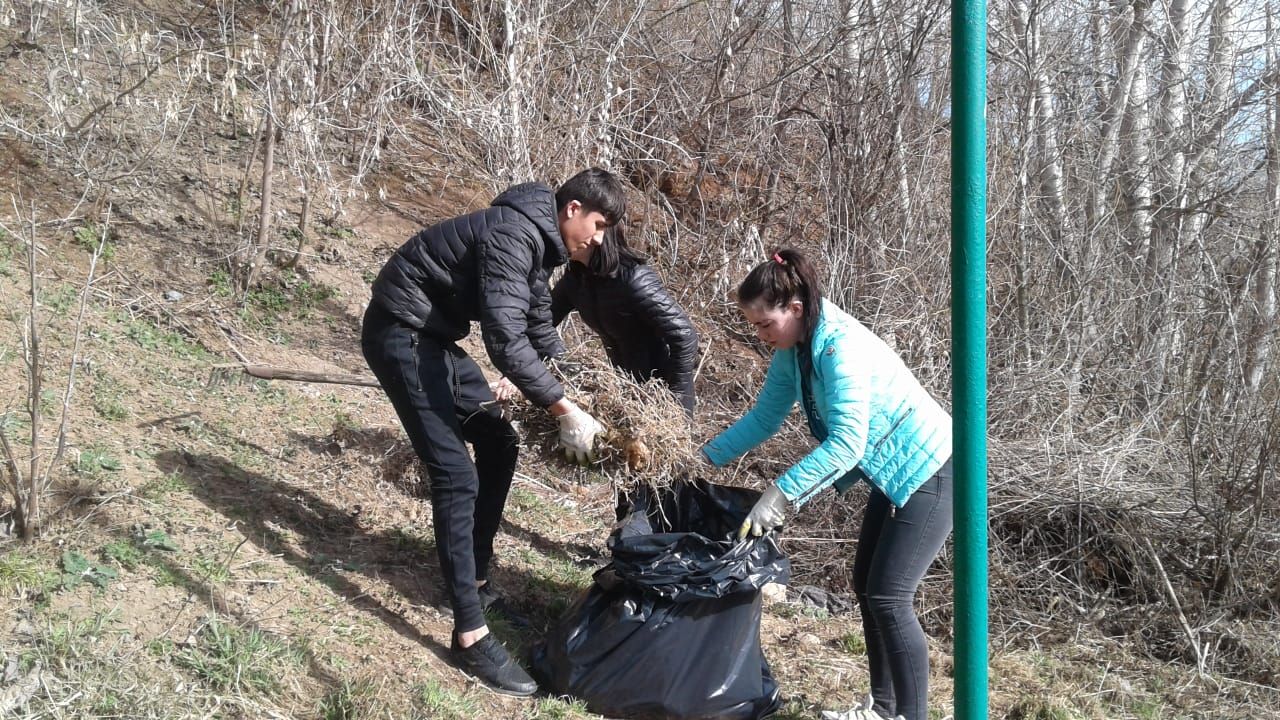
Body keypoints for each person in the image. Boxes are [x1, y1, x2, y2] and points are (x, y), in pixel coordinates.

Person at [361, 168, 625, 696]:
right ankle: (468, 634)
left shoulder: (533, 240)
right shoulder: (513, 234)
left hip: (433, 341)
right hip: (403, 333)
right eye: (598, 225)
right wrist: (561, 408)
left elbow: (535, 325)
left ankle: (474, 582)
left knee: (499, 441)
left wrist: (581, 384)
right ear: (572, 209)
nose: (598, 239)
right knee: (456, 476)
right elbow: (505, 342)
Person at [699, 248, 953, 720]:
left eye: (764, 324)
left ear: (794, 309)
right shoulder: (794, 350)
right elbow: (764, 418)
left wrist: (780, 494)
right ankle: (884, 708)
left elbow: (848, 446)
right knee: (867, 585)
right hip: (896, 471)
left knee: (890, 596)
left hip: (934, 468)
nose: (759, 335)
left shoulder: (839, 349)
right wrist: (701, 457)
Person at [542, 223, 699, 414]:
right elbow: (541, 322)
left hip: (662, 396)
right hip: (623, 390)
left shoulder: (634, 279)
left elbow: (684, 335)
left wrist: (675, 403)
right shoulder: (575, 280)